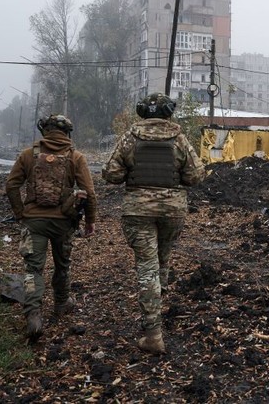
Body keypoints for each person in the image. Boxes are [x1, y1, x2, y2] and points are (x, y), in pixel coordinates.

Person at [102, 92, 205, 354]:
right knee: (162, 260)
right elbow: (194, 176)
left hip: (138, 211)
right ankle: (157, 304)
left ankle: (153, 333)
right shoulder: (179, 138)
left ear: (142, 112)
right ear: (169, 112)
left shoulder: (129, 137)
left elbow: (112, 174)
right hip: (172, 211)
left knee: (147, 268)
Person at [5, 114, 98, 341]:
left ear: (44, 132)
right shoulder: (76, 157)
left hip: (34, 221)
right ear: (67, 133)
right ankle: (61, 303)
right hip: (63, 223)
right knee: (62, 265)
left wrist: (20, 213)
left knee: (32, 270)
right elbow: (90, 193)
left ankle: (33, 316)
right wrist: (90, 221)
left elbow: (11, 185)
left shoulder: (28, 155)